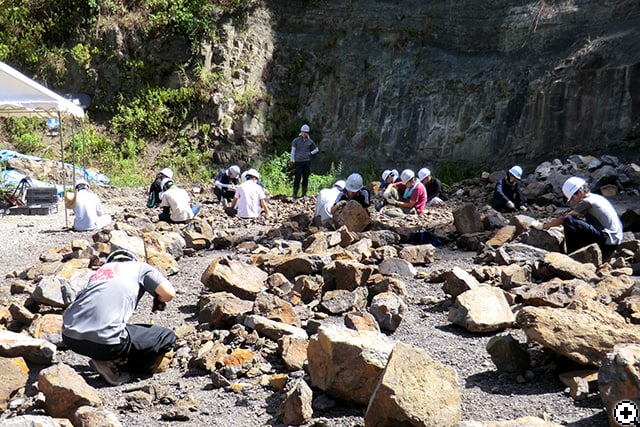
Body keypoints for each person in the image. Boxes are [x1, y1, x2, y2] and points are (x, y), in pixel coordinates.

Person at [61, 249, 176, 386]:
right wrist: (158, 300)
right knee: (166, 337)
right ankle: (114, 364)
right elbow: (168, 293)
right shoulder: (140, 268)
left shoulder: (99, 273)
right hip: (106, 343)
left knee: (122, 330)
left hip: (70, 337)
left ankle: (103, 357)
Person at [538, 176, 623, 255]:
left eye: (572, 198)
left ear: (580, 192)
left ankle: (572, 254)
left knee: (569, 220)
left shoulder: (587, 201)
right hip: (614, 240)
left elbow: (564, 218)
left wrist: (543, 226)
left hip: (607, 241)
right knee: (576, 223)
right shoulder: (597, 198)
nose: (573, 201)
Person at [289, 124, 319, 198]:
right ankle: (295, 193)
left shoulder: (310, 141)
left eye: (306, 132)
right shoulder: (296, 141)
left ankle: (304, 193)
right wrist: (292, 160)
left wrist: (310, 153)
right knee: (297, 177)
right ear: (301, 132)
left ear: (308, 133)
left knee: (305, 177)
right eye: (303, 132)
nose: (304, 133)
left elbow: (316, 149)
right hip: (298, 161)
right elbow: (293, 151)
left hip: (306, 161)